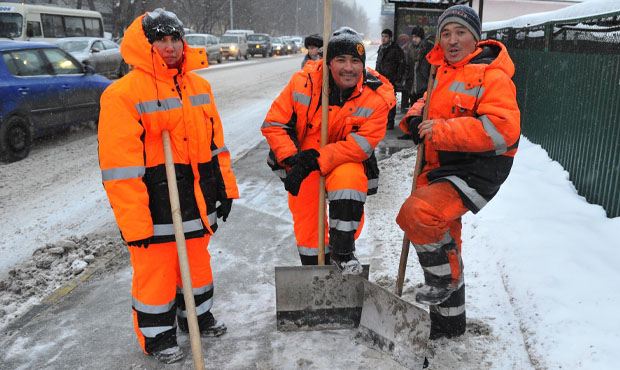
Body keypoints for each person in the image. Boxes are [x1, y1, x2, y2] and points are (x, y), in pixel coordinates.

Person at [98, 9, 238, 363]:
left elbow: (216, 146)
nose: (171, 46)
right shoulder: (123, 94)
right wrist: (134, 224)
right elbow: (120, 170)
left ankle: (196, 315)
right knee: (156, 272)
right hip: (154, 201)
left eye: (175, 38)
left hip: (195, 194)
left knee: (196, 262)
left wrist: (224, 190)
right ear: (145, 45)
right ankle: (158, 336)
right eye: (161, 39)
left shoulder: (200, 87)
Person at [396, 5, 520, 340]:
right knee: (443, 231)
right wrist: (415, 116)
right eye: (446, 33)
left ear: (476, 38)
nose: (452, 40)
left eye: (460, 33)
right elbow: (429, 100)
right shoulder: (442, 71)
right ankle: (449, 324)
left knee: (418, 213)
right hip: (443, 165)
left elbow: (502, 130)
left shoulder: (490, 74)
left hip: (478, 167)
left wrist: (442, 130)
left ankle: (445, 280)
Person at [262, 27, 395, 274]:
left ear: (363, 65)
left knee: (350, 182)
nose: (348, 68)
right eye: (341, 60)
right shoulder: (303, 83)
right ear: (328, 62)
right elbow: (274, 124)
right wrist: (293, 158)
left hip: (345, 158)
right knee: (307, 217)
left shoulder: (376, 97)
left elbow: (361, 145)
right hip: (302, 157)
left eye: (355, 61)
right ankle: (314, 270)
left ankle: (343, 251)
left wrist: (320, 159)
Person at [400, 25, 434, 122]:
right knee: (413, 108)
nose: (414, 39)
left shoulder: (428, 49)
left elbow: (431, 67)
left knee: (422, 109)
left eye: (417, 37)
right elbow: (407, 66)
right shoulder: (409, 49)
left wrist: (429, 81)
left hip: (423, 84)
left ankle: (418, 129)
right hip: (412, 85)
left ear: (421, 38)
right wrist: (405, 80)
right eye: (413, 37)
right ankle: (411, 128)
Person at [375, 28, 404, 129]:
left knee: (390, 102)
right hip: (380, 79)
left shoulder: (395, 50)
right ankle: (383, 121)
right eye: (382, 36)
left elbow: (401, 65)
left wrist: (397, 78)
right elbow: (378, 62)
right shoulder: (381, 48)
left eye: (386, 37)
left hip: (391, 80)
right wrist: (375, 75)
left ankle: (390, 122)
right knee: (381, 103)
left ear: (390, 38)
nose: (383, 38)